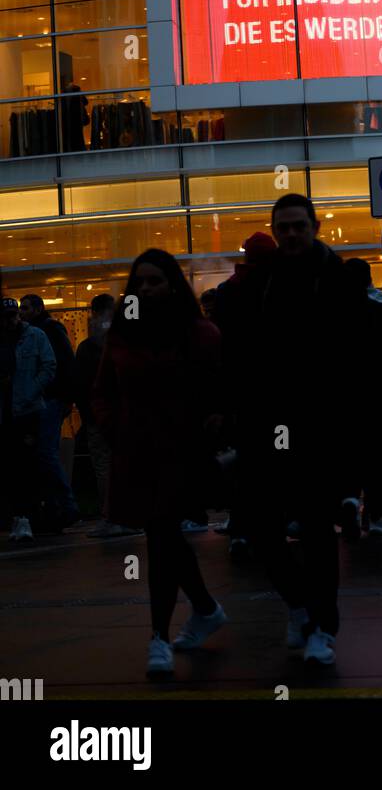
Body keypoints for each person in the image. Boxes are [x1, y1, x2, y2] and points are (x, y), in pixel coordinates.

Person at [220, 195, 360, 667]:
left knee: (317, 530)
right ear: (275, 230)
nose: (292, 234)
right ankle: (303, 608)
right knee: (261, 528)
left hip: (319, 422)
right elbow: (238, 348)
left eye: (299, 226)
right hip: (266, 420)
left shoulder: (336, 279)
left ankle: (321, 624)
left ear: (315, 226)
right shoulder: (263, 281)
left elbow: (355, 355)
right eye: (285, 227)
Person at [92, 250, 225, 679]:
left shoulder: (198, 334)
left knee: (162, 536)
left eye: (154, 280)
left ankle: (159, 635)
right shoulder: (122, 335)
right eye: (140, 282)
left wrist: (212, 424)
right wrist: (114, 426)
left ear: (171, 284)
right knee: (163, 535)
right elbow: (103, 389)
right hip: (136, 450)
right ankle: (202, 609)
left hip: (180, 450)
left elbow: (221, 387)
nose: (146, 288)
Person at [211, 232, 278, 555]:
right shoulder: (280, 286)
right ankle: (274, 522)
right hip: (276, 391)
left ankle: (241, 527)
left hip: (240, 393)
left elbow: (220, 349)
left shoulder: (227, 293)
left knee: (245, 461)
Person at [342, 258, 382, 536]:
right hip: (380, 400)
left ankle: (350, 501)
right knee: (378, 461)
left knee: (349, 456)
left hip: (345, 399)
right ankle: (376, 517)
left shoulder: (332, 314)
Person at [74, 293, 140, 539]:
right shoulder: (124, 341)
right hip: (124, 413)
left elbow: (81, 383)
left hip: (99, 415)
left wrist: (87, 412)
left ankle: (111, 516)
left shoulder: (90, 346)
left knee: (104, 466)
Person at [19, 294, 79, 532]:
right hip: (50, 399)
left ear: (37, 309)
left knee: (46, 453)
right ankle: (58, 507)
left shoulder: (47, 331)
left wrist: (64, 397)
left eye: (25, 308)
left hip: (50, 399)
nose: (22, 312)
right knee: (45, 454)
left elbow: (62, 364)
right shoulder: (41, 330)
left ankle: (64, 506)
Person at [0, 297, 56, 542]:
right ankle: (20, 517)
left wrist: (31, 391)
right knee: (14, 465)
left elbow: (48, 366)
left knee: (26, 464)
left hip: (26, 409)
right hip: (11, 409)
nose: (10, 321)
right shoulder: (26, 337)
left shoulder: (34, 336)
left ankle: (27, 517)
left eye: (13, 316)